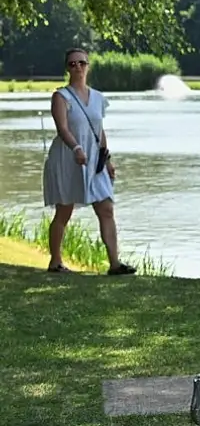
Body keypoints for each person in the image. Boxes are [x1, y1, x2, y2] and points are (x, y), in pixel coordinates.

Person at [42, 48, 135, 275]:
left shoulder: (98, 98)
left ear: (88, 65)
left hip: (95, 161)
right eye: (72, 64)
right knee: (64, 211)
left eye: (82, 63)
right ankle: (55, 261)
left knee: (106, 209)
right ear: (67, 68)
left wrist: (108, 159)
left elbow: (99, 131)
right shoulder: (61, 97)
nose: (78, 67)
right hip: (68, 158)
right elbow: (62, 128)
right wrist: (76, 147)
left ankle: (115, 263)